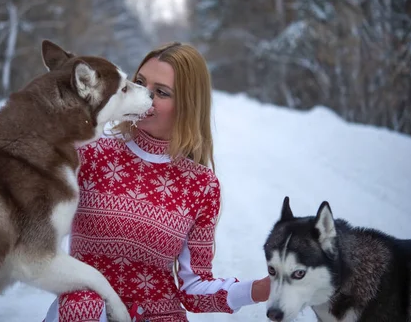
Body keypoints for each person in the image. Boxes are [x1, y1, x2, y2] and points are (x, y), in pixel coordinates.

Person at [43, 42, 270, 322]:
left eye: (161, 92)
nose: (143, 95)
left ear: (187, 106)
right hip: (85, 312)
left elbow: (194, 288)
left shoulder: (201, 185)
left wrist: (258, 290)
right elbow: (33, 224)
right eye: (138, 83)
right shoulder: (88, 153)